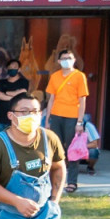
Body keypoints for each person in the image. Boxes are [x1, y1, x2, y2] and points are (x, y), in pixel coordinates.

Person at [44, 50, 89, 192]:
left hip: (72, 117)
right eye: (64, 58)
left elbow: (82, 100)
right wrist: (47, 119)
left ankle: (72, 182)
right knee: (55, 150)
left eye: (69, 58)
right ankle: (54, 181)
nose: (66, 60)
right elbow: (51, 99)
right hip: (56, 115)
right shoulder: (55, 76)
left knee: (72, 150)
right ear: (59, 61)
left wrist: (80, 122)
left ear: (74, 60)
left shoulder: (79, 76)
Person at [0, 57, 32, 130]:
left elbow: (23, 91)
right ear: (7, 69)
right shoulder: (1, 82)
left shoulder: (24, 82)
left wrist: (6, 93)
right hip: (1, 120)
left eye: (15, 67)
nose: (12, 69)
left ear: (19, 69)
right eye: (10, 67)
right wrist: (15, 97)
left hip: (17, 120)